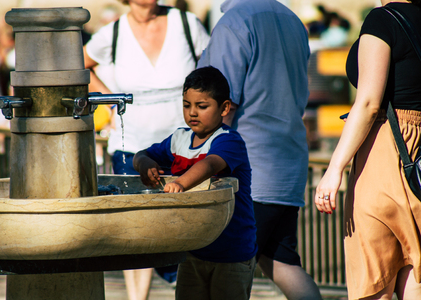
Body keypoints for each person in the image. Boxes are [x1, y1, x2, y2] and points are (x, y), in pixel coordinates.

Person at [83, 1, 209, 299]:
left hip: (185, 145)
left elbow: (212, 74)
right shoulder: (112, 32)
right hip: (130, 146)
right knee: (134, 231)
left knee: (184, 227)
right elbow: (79, 66)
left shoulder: (187, 23)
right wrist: (109, 102)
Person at [197, 1, 323, 299]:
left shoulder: (235, 22)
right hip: (287, 163)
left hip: (247, 170)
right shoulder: (291, 20)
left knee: (224, 271)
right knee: (281, 261)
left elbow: (220, 103)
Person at [315, 0, 421, 299]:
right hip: (419, 158)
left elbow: (368, 103)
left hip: (384, 149)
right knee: (415, 271)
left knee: (374, 278)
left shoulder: (382, 20)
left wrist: (334, 170)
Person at [133, 66, 257, 300]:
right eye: (186, 105)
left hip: (232, 253)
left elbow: (210, 164)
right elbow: (140, 155)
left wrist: (180, 183)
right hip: (193, 251)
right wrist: (145, 166)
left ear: (224, 108)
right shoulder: (179, 139)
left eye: (202, 106)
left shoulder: (229, 140)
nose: (192, 113)